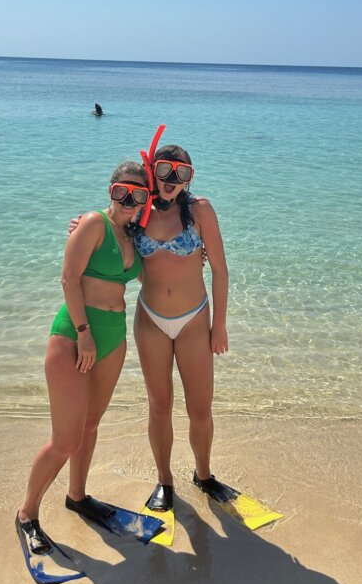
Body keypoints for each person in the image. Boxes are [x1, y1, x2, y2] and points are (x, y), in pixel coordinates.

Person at [16, 161, 148, 554]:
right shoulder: (93, 223)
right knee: (64, 439)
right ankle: (27, 514)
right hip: (75, 337)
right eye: (121, 191)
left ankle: (77, 496)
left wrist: (197, 253)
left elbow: (157, 266)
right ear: (111, 191)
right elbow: (68, 279)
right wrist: (84, 334)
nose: (128, 200)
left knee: (90, 425)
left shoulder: (134, 236)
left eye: (138, 194)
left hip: (114, 339)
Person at [132, 143, 229, 513]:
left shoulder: (200, 210)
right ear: (152, 170)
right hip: (150, 320)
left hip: (193, 320)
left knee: (200, 409)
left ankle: (203, 475)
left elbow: (220, 269)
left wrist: (218, 325)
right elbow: (107, 227)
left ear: (190, 178)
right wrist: (80, 225)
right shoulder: (137, 209)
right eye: (166, 171)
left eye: (182, 173)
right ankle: (164, 480)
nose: (172, 181)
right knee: (159, 406)